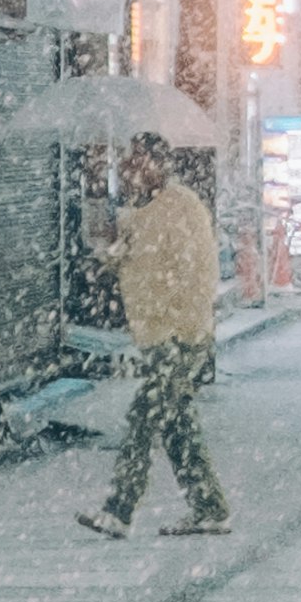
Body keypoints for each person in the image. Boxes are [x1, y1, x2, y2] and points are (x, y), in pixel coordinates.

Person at [80, 136, 231, 542]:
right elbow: (132, 260)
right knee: (178, 427)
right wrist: (110, 246)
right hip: (158, 334)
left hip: (178, 335)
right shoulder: (143, 211)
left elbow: (190, 271)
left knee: (144, 418)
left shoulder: (180, 207)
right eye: (126, 161)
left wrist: (184, 326)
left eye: (135, 160)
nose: (128, 168)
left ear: (156, 163)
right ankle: (209, 508)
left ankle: (119, 511)